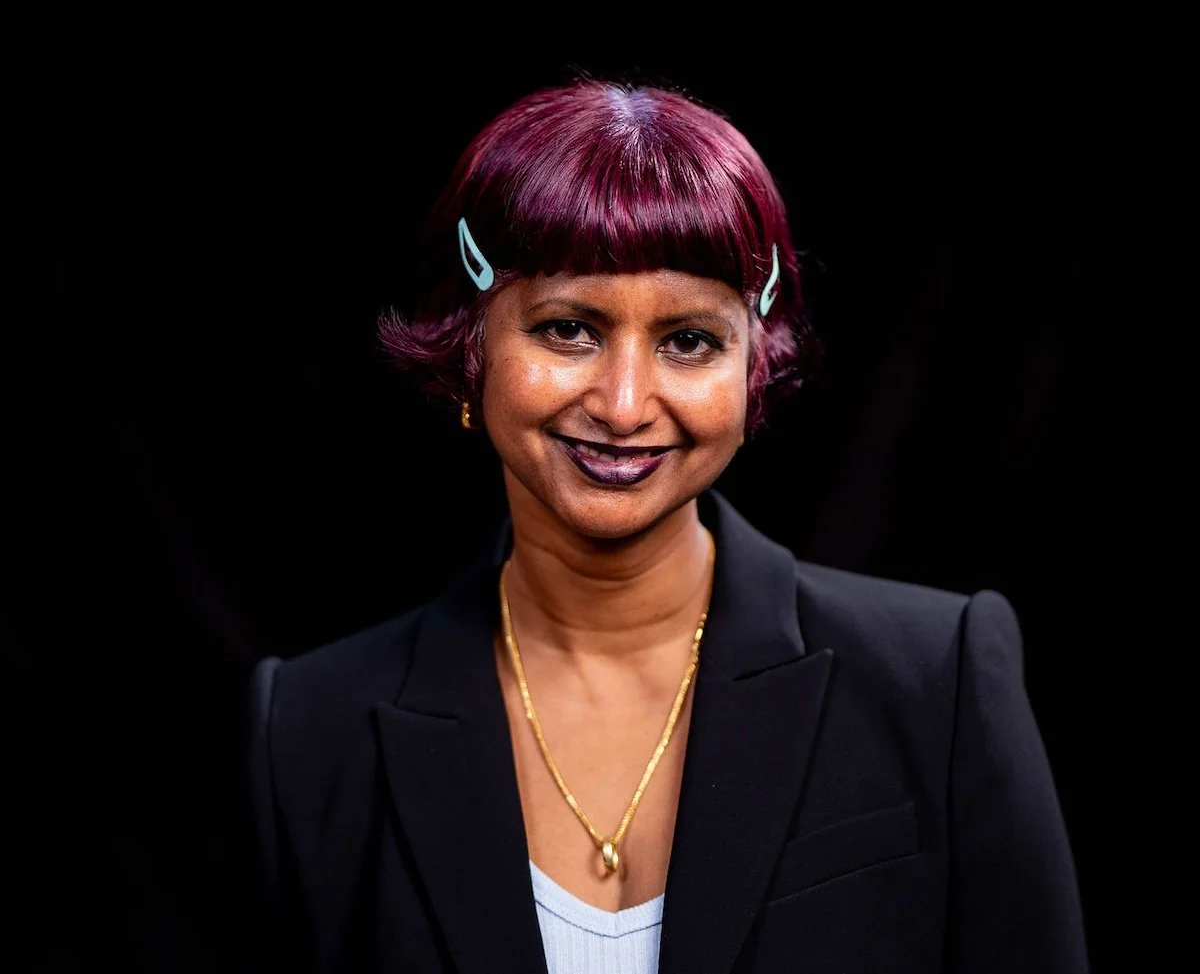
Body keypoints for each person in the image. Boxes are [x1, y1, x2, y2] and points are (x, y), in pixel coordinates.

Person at [245, 79, 1089, 973]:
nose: (623, 403)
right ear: (472, 343)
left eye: (688, 340)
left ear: (754, 365)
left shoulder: (939, 681)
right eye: (569, 328)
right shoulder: (308, 731)